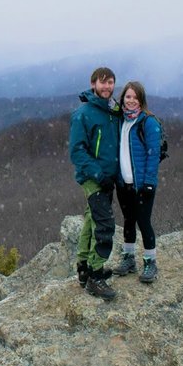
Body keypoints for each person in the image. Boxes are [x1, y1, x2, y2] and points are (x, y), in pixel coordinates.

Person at [69, 67, 122, 300]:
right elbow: (77, 151)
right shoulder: (84, 114)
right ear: (93, 84)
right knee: (105, 225)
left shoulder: (113, 111)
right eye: (102, 83)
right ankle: (95, 276)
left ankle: (83, 268)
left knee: (92, 220)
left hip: (109, 178)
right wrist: (98, 175)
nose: (107, 87)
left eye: (110, 82)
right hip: (94, 179)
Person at [113, 80, 162, 283]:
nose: (131, 100)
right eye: (128, 96)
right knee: (128, 221)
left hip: (142, 184)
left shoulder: (147, 122)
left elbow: (153, 153)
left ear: (141, 100)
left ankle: (151, 262)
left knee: (143, 221)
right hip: (123, 183)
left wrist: (149, 183)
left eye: (135, 97)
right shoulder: (120, 121)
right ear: (123, 98)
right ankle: (129, 258)